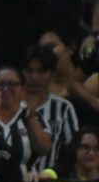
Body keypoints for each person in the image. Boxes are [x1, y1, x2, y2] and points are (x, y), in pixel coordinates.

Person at [0, 66, 52, 179]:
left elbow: (43, 149)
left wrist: (30, 116)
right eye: (1, 84)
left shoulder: (34, 117)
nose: (6, 89)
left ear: (22, 89)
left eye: (12, 84)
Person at [23, 45, 78, 174]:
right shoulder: (11, 105)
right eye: (29, 71)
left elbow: (74, 150)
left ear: (51, 74)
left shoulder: (64, 109)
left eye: (40, 71)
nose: (34, 77)